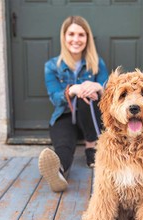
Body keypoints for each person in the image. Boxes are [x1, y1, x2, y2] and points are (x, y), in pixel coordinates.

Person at [38, 16, 108, 192]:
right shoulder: (52, 66)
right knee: (63, 145)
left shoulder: (97, 63)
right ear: (64, 37)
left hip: (91, 116)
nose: (76, 39)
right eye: (71, 34)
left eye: (81, 35)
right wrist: (72, 90)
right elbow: (54, 97)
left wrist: (98, 86)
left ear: (87, 38)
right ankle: (58, 172)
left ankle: (93, 147)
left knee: (87, 95)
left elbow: (111, 92)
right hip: (65, 114)